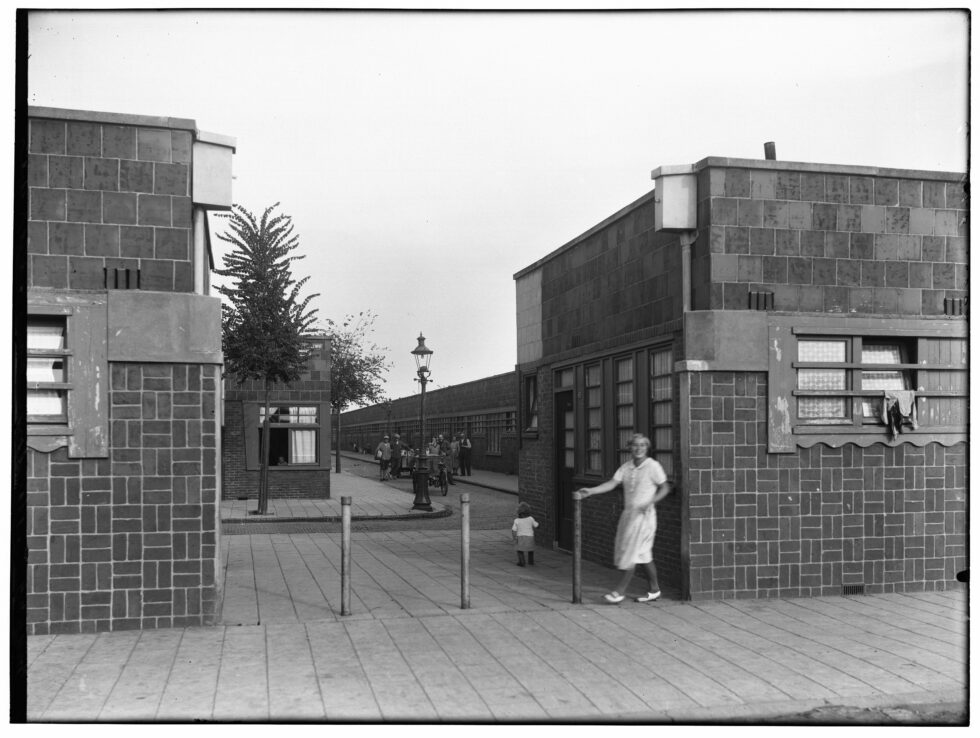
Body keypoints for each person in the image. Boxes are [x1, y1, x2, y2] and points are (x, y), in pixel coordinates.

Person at [573, 433, 672, 603]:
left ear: (647, 448)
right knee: (643, 554)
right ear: (630, 447)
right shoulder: (626, 467)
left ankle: (619, 592)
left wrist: (650, 502)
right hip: (629, 516)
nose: (638, 448)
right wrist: (590, 491)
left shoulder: (653, 466)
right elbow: (612, 483)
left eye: (642, 445)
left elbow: (665, 488)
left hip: (645, 518)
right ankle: (655, 589)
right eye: (635, 445)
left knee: (632, 553)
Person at [512, 502, 539, 567]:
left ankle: (522, 562)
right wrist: (538, 526)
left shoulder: (517, 520)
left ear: (519, 513)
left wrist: (514, 537)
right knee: (530, 549)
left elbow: (514, 530)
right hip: (530, 537)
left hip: (521, 537)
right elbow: (536, 525)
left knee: (520, 550)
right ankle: (531, 561)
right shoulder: (531, 519)